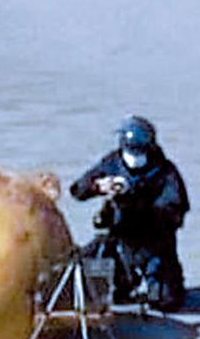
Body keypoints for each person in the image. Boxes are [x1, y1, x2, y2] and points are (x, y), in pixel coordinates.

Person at [69, 116, 190, 312]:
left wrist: (134, 199)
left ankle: (162, 284)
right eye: (129, 150)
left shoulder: (165, 172)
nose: (133, 157)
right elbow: (77, 190)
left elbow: (174, 212)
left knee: (166, 301)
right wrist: (97, 186)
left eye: (138, 151)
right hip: (120, 237)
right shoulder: (113, 163)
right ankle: (121, 282)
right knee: (90, 262)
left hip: (154, 242)